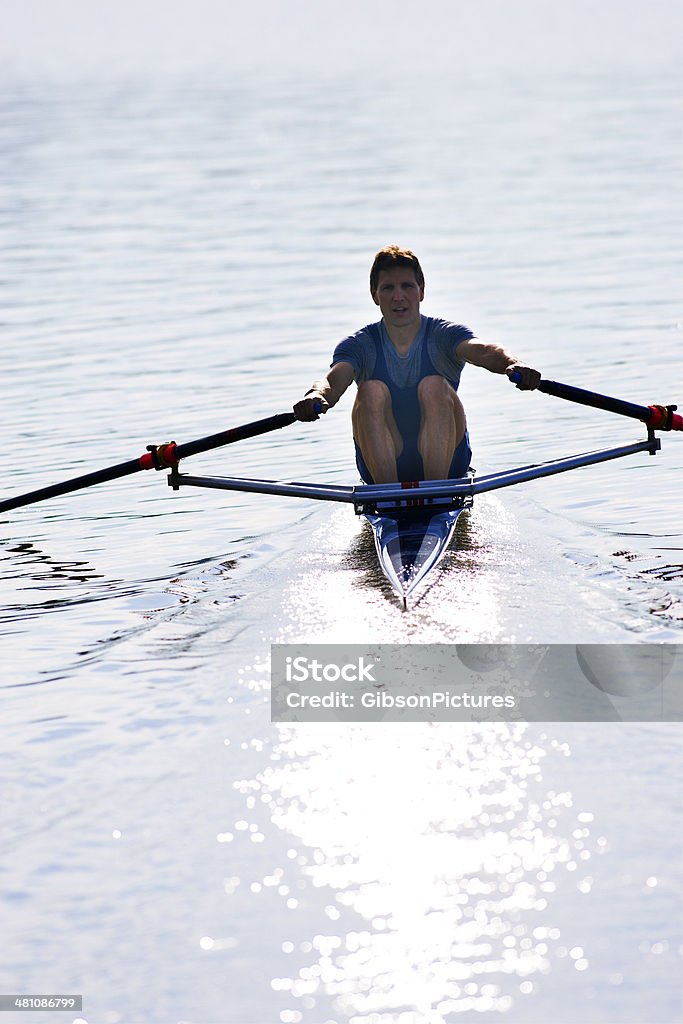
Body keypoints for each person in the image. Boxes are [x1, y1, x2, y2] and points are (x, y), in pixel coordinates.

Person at [294, 245, 540, 484]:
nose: (398, 296)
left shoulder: (445, 334)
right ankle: (387, 497)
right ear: (374, 295)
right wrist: (315, 395)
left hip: (448, 461)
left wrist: (514, 363)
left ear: (421, 291)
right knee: (370, 390)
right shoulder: (359, 345)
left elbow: (485, 351)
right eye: (388, 288)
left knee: (434, 385)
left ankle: (436, 491)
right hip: (384, 461)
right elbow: (332, 381)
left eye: (407, 286)